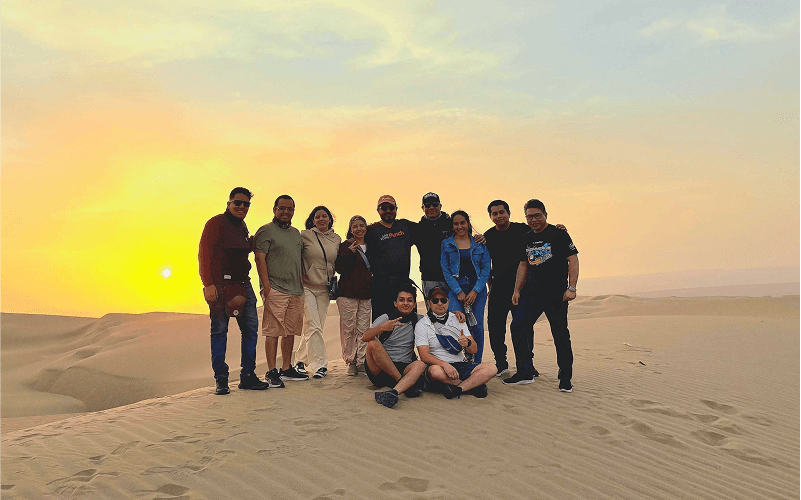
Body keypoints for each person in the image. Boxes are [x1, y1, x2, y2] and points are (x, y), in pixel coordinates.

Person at [199, 187, 269, 395]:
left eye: (246, 204)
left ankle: (248, 375)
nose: (242, 207)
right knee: (219, 331)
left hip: (242, 284)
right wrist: (208, 284)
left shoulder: (242, 227)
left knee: (251, 330)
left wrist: (251, 243)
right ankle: (221, 379)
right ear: (229, 203)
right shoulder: (215, 223)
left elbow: (238, 251)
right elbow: (204, 253)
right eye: (238, 203)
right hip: (219, 285)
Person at [504, 199, 579, 393]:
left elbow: (573, 260)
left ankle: (565, 378)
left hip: (556, 293)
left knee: (560, 334)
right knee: (518, 326)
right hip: (532, 293)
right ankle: (525, 372)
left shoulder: (559, 234)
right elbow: (523, 264)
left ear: (545, 214)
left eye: (537, 215)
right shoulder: (526, 237)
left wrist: (572, 288)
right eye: (529, 216)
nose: (534, 219)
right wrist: (517, 290)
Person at [254, 195, 310, 388]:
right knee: (273, 330)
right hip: (275, 288)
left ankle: (286, 368)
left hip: (296, 289)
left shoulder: (296, 234)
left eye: (290, 209)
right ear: (274, 209)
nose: (286, 212)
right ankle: (271, 372)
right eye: (282, 208)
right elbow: (260, 259)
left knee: (290, 330)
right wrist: (267, 288)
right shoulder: (265, 231)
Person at [483, 200, 537, 378]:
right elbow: (484, 264)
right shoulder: (488, 236)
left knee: (524, 327)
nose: (498, 216)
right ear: (490, 217)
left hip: (522, 288)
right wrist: (490, 287)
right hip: (498, 288)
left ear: (509, 213)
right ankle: (501, 364)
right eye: (494, 213)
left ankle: (528, 364)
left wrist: (559, 228)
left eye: (501, 212)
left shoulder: (523, 230)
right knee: (495, 327)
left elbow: (542, 233)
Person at [415, 286, 496, 399]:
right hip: (439, 366)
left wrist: (467, 343)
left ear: (448, 302)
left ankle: (458, 389)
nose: (439, 303)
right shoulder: (422, 324)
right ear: (429, 303)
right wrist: (445, 365)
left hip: (460, 364)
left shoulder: (458, 319)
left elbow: (474, 350)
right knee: (435, 371)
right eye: (435, 300)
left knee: (492, 368)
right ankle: (473, 386)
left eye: (443, 300)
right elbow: (424, 355)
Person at [293, 206, 342, 380]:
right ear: (312, 220)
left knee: (316, 326)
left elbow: (340, 261)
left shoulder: (336, 238)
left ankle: (299, 361)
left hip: (324, 289)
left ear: (330, 218)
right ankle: (320, 364)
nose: (321, 219)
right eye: (317, 216)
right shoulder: (305, 235)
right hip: (306, 286)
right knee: (313, 325)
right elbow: (294, 256)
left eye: (324, 216)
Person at [363, 283, 426, 409]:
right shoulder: (386, 318)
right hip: (380, 368)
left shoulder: (419, 320)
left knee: (420, 364)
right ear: (395, 303)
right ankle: (401, 383)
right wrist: (382, 327)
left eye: (409, 300)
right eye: (401, 300)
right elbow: (365, 337)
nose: (405, 303)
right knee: (373, 343)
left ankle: (394, 392)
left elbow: (439, 318)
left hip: (403, 366)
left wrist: (456, 314)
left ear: (414, 304)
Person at [440, 210, 492, 363]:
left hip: (478, 287)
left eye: (462, 222)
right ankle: (459, 359)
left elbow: (485, 269)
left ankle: (476, 361)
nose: (459, 226)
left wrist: (475, 290)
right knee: (456, 323)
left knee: (477, 326)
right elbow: (446, 270)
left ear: (468, 223)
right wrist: (458, 291)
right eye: (456, 223)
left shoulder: (479, 243)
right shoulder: (446, 243)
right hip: (456, 288)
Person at [364, 195, 416, 321]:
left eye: (391, 208)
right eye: (384, 208)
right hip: (381, 286)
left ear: (396, 209)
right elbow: (354, 241)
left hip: (403, 284)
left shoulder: (405, 226)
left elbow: (428, 230)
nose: (388, 211)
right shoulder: (371, 230)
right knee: (381, 323)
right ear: (378, 211)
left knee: (406, 323)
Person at [335, 216, 372, 377]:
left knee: (363, 328)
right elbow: (340, 268)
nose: (358, 229)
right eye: (355, 226)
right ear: (350, 229)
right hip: (348, 293)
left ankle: (362, 361)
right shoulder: (345, 245)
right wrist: (348, 253)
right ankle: (351, 361)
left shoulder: (372, 246)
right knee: (349, 328)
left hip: (366, 293)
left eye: (361, 225)